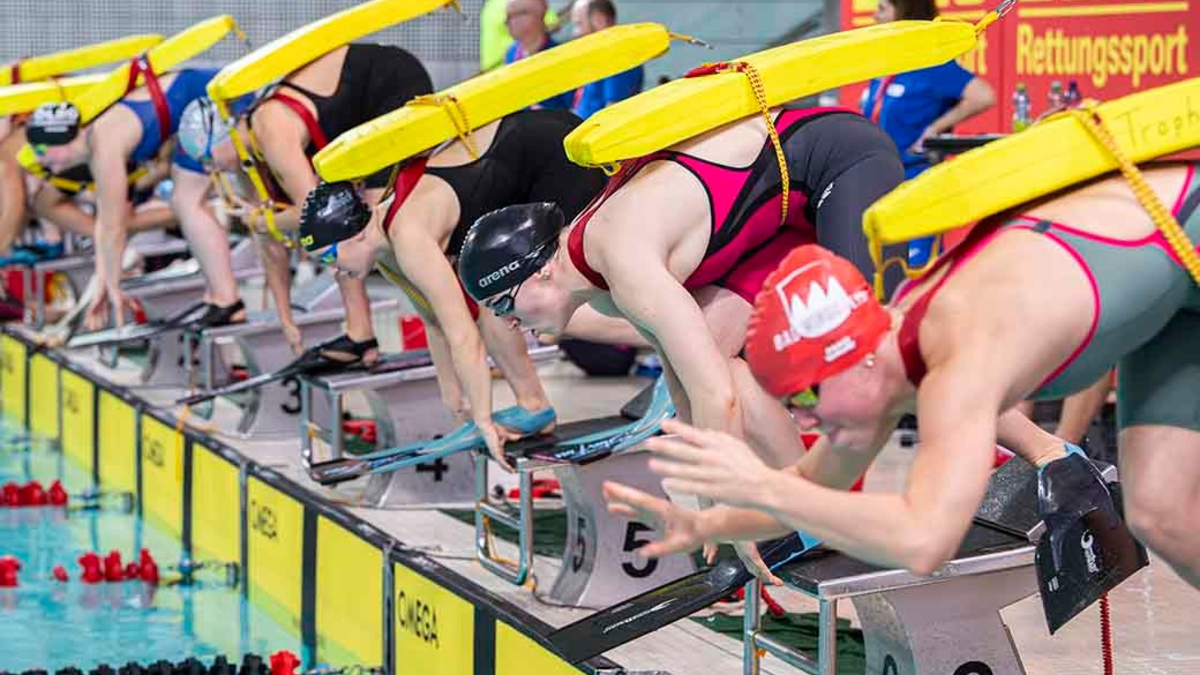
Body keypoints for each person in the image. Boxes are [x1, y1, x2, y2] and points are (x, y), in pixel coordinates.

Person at [602, 160, 1200, 588]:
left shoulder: (958, 354)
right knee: (1162, 514)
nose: (805, 418)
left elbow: (924, 540)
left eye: (807, 396)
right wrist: (708, 520)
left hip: (1185, 221)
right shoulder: (879, 364)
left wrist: (765, 485)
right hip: (1174, 279)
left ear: (855, 358)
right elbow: (812, 488)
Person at [459, 107, 907, 473]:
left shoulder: (620, 258)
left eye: (502, 303)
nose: (505, 320)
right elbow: (686, 385)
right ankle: (810, 509)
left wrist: (717, 511)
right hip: (780, 218)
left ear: (538, 272)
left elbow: (718, 400)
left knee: (863, 361)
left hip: (841, 162)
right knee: (715, 358)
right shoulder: (591, 273)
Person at [298, 108, 607, 466]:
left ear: (352, 234)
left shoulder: (407, 235)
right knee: (498, 304)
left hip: (553, 152)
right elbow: (435, 321)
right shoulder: (387, 241)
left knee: (557, 297)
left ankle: (661, 337)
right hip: (526, 156)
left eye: (328, 257)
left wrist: (483, 420)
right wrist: (454, 402)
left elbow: (463, 336)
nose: (334, 269)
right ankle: (533, 406)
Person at [178, 43, 432, 361]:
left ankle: (436, 319)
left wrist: (263, 220)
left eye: (207, 159)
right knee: (349, 231)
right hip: (361, 108)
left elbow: (315, 215)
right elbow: (269, 239)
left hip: (393, 83)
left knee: (381, 228)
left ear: (222, 138)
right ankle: (362, 336)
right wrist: (286, 320)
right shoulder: (248, 156)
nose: (209, 170)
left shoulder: (270, 129)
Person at [26, 67, 240, 331]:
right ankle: (219, 297)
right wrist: (105, 281)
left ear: (62, 141)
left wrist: (112, 286)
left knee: (187, 201)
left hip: (219, 97)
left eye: (40, 149)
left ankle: (226, 300)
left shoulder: (104, 146)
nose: (37, 159)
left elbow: (114, 227)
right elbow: (106, 226)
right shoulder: (98, 141)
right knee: (184, 200)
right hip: (206, 102)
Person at [861, 0, 996, 266]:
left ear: (903, 14)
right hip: (881, 190)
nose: (874, 16)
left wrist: (935, 128)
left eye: (882, 9)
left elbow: (983, 96)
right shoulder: (888, 65)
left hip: (916, 190)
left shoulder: (931, 65)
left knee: (912, 278)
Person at [569, 0, 643, 119]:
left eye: (579, 24)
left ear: (599, 21)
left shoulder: (619, 56)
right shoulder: (600, 58)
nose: (575, 33)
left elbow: (613, 114)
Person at [504, 0, 575, 110]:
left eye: (514, 15)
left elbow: (572, 105)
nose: (507, 22)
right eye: (508, 16)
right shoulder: (511, 53)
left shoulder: (559, 56)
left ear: (536, 15)